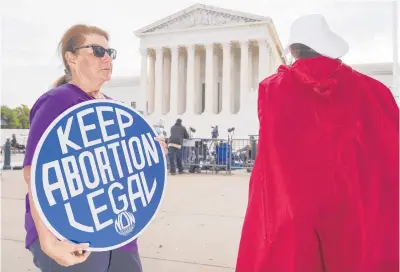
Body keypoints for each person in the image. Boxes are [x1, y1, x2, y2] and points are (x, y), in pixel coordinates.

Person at [235, 14, 399, 272]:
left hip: (295, 209)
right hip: (351, 208)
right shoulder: (372, 90)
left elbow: (271, 161)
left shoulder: (272, 90)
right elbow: (390, 150)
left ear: (294, 49)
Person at [23, 24, 167, 272]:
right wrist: (48, 243)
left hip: (119, 236)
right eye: (98, 50)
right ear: (71, 58)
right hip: (70, 232)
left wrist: (150, 153)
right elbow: (34, 173)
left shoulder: (115, 107)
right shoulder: (58, 101)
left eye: (111, 52)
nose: (107, 57)